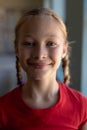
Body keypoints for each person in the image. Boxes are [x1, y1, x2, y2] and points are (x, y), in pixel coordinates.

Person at [0, 7, 87, 130]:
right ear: (16, 48)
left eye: (51, 43)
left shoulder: (82, 107)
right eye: (29, 43)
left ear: (63, 50)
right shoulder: (3, 109)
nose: (40, 54)